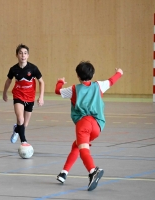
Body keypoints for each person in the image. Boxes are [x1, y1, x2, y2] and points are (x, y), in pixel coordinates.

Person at [55, 61, 123, 191]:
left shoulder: (74, 89)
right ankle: (64, 172)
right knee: (76, 145)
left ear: (78, 76)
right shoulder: (99, 85)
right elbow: (112, 81)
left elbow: (57, 91)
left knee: (83, 150)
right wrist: (119, 72)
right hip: (97, 126)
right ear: (93, 74)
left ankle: (93, 171)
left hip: (83, 124)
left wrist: (60, 82)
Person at [3, 44, 44, 146]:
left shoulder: (33, 68)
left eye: (25, 53)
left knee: (24, 124)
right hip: (18, 95)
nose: (23, 55)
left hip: (30, 97)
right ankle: (24, 141)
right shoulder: (13, 69)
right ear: (17, 55)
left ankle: (16, 129)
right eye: (20, 53)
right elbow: (8, 81)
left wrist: (41, 96)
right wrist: (5, 93)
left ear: (28, 55)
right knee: (20, 119)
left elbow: (41, 82)